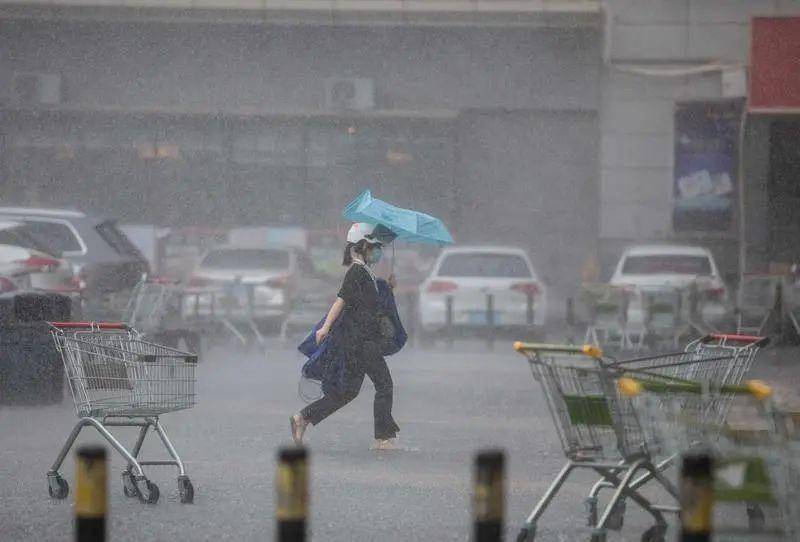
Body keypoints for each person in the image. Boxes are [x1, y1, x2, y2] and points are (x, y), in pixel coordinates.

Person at [290, 223, 400, 450]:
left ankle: (303, 417)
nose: (379, 250)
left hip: (359, 343)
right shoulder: (357, 272)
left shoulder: (366, 273)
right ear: (363, 246)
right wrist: (324, 328)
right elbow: (341, 300)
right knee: (384, 385)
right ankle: (384, 437)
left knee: (347, 392)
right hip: (363, 343)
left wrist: (388, 287)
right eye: (375, 246)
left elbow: (368, 304)